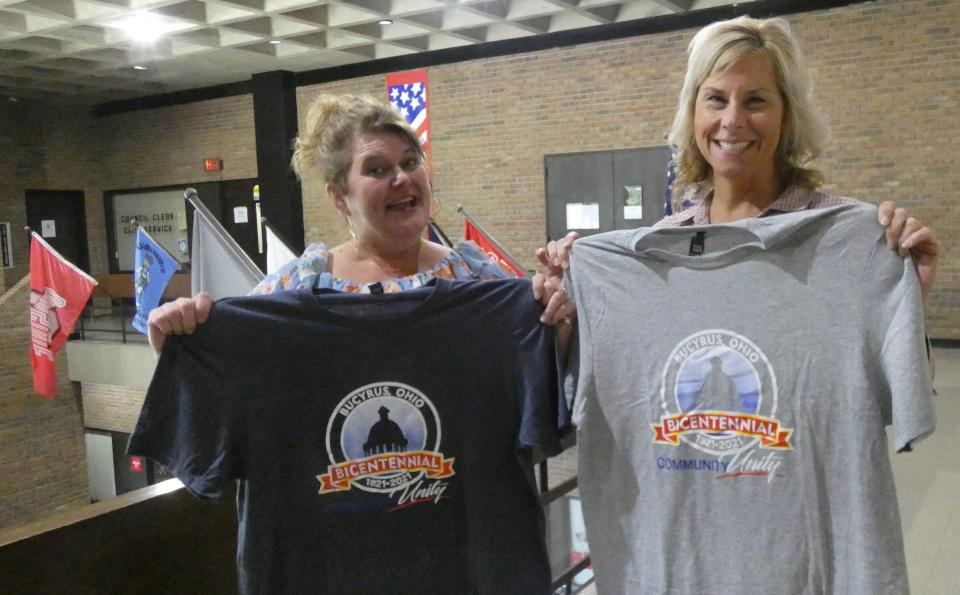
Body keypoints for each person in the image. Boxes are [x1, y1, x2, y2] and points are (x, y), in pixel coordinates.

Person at [550, 15, 937, 594]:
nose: (732, 120)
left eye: (755, 100)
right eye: (715, 100)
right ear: (693, 114)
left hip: (807, 569)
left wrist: (902, 288)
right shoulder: (641, 257)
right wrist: (568, 307)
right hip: (674, 568)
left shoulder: (853, 240)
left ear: (787, 116)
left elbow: (891, 395)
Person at [147, 94, 517, 355]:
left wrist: (558, 312)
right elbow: (228, 389)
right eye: (377, 169)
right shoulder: (296, 290)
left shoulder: (475, 277)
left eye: (409, 162)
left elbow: (537, 389)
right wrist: (179, 344)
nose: (402, 178)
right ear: (340, 196)